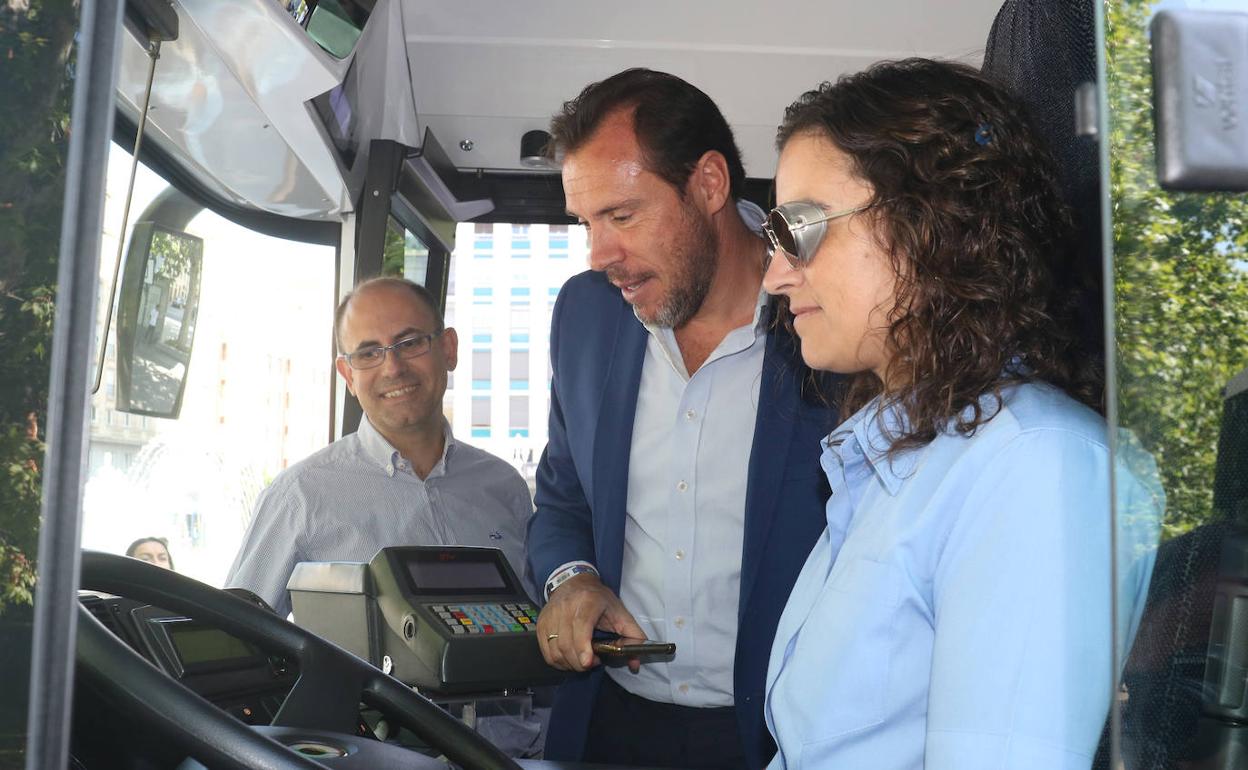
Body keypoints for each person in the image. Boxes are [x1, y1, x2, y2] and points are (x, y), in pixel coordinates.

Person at [758, 58, 1161, 769]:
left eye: (799, 228)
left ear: (930, 225)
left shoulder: (1033, 468)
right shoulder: (902, 455)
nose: (775, 273)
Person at [527, 68, 838, 770]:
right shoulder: (585, 316)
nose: (600, 256)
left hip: (775, 736)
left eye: (623, 216)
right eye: (587, 223)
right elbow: (561, 499)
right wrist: (571, 578)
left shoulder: (829, 313)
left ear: (709, 183)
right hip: (609, 727)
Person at [225, 276, 542, 757]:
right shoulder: (302, 495)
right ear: (347, 374)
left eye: (410, 342)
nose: (392, 367)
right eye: (368, 353)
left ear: (449, 349)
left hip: (510, 758)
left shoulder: (504, 488)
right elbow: (236, 643)